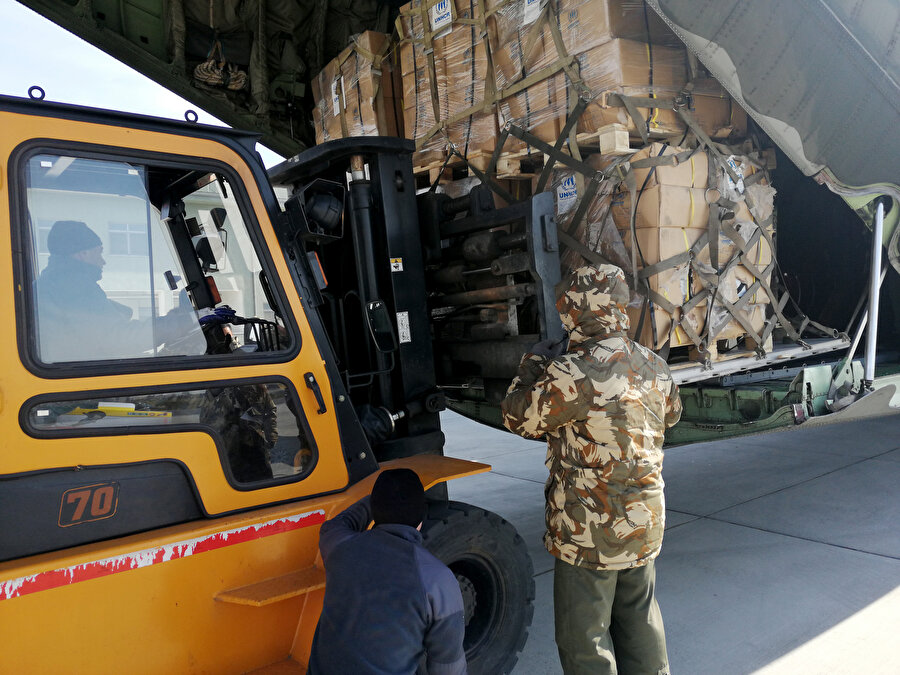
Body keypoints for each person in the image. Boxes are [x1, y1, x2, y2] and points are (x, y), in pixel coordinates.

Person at [501, 264, 682, 675]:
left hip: (589, 530)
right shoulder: (655, 365)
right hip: (645, 521)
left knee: (585, 642)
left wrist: (531, 365)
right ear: (619, 308)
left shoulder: (570, 371)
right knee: (640, 623)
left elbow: (518, 418)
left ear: (574, 312)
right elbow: (670, 417)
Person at [307, 468, 467, 675]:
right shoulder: (437, 579)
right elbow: (448, 667)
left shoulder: (339, 548)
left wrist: (377, 500)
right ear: (421, 519)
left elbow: (337, 523)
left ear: (374, 510)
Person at [35, 219, 197, 362]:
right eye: (98, 253)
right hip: (84, 384)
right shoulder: (72, 288)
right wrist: (188, 321)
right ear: (82, 254)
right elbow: (119, 338)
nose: (102, 261)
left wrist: (173, 320)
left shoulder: (52, 284)